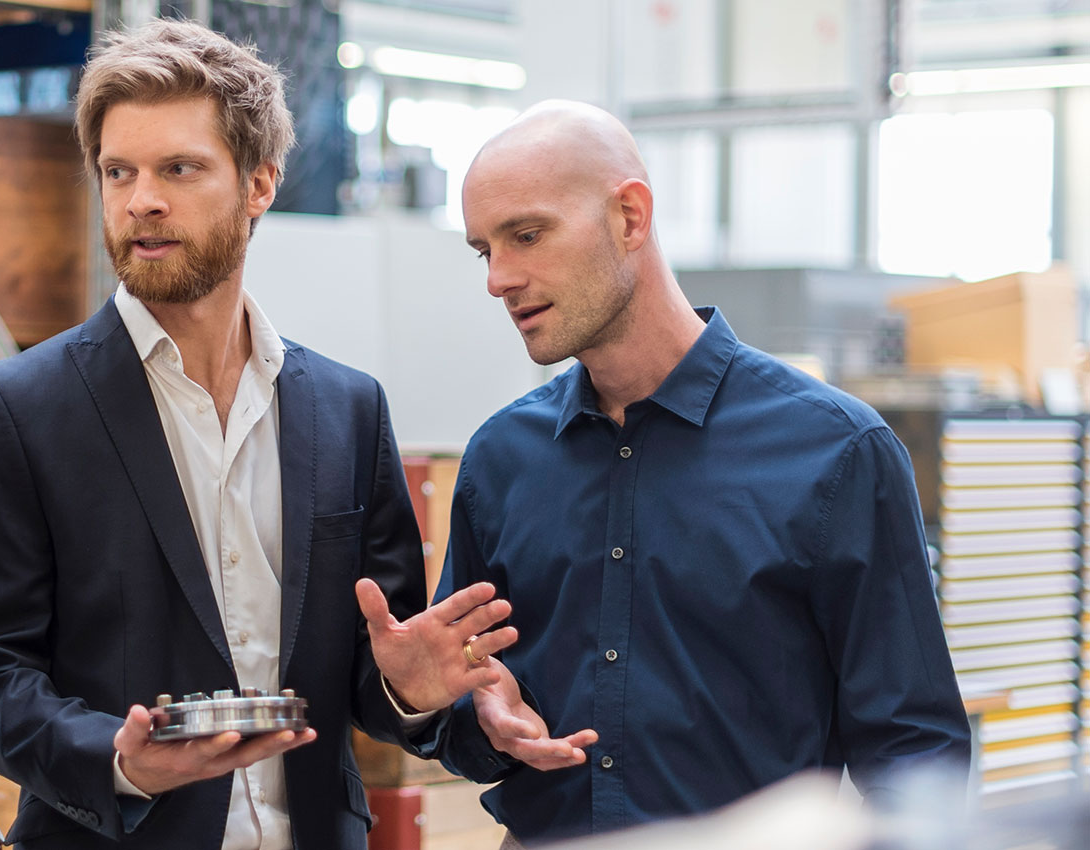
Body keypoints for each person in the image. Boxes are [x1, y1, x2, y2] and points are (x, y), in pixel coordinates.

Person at [0, 19, 512, 850]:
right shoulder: (16, 408)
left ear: (259, 183)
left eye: (179, 168)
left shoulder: (347, 410)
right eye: (117, 172)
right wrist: (121, 761)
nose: (141, 200)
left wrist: (406, 689)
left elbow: (366, 670)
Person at [394, 100, 970, 846]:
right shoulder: (502, 461)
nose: (499, 279)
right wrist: (461, 710)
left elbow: (914, 754)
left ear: (629, 217)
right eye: (484, 251)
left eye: (526, 236)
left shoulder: (836, 453)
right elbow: (475, 722)